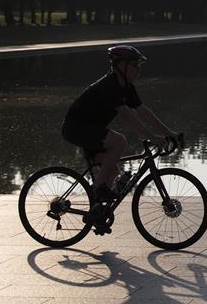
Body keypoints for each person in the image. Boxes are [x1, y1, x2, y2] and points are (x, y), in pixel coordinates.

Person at [61, 45, 178, 206]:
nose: (138, 70)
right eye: (134, 65)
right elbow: (127, 115)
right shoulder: (109, 86)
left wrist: (169, 132)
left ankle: (98, 211)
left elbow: (142, 111)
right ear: (121, 65)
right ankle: (99, 188)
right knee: (119, 141)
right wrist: (153, 137)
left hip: (92, 130)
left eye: (139, 66)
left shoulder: (126, 87)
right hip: (76, 128)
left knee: (112, 171)